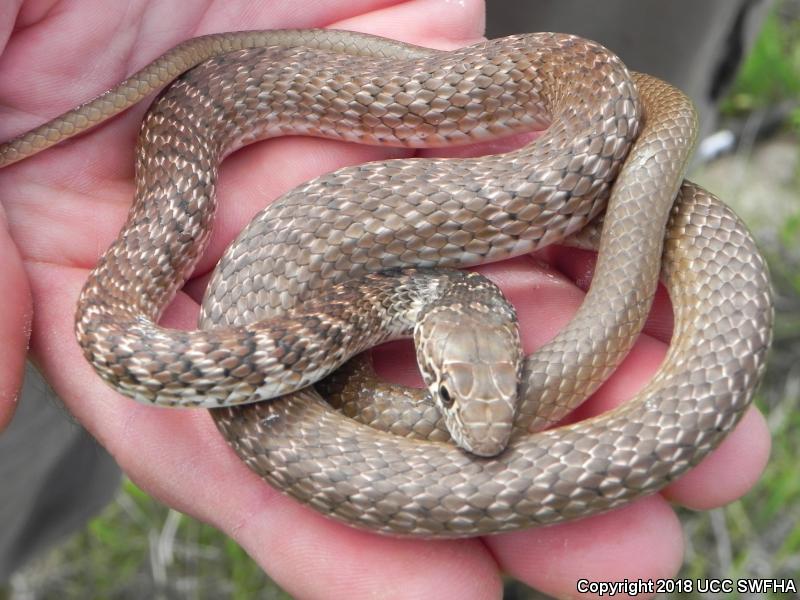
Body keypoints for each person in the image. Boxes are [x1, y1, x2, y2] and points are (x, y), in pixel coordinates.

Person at [0, 1, 771, 598]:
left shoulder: (432, 288)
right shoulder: (334, 311)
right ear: (424, 350)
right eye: (442, 388)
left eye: (493, 385)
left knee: (627, 130)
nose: (486, 430)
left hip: (570, 119)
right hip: (202, 113)